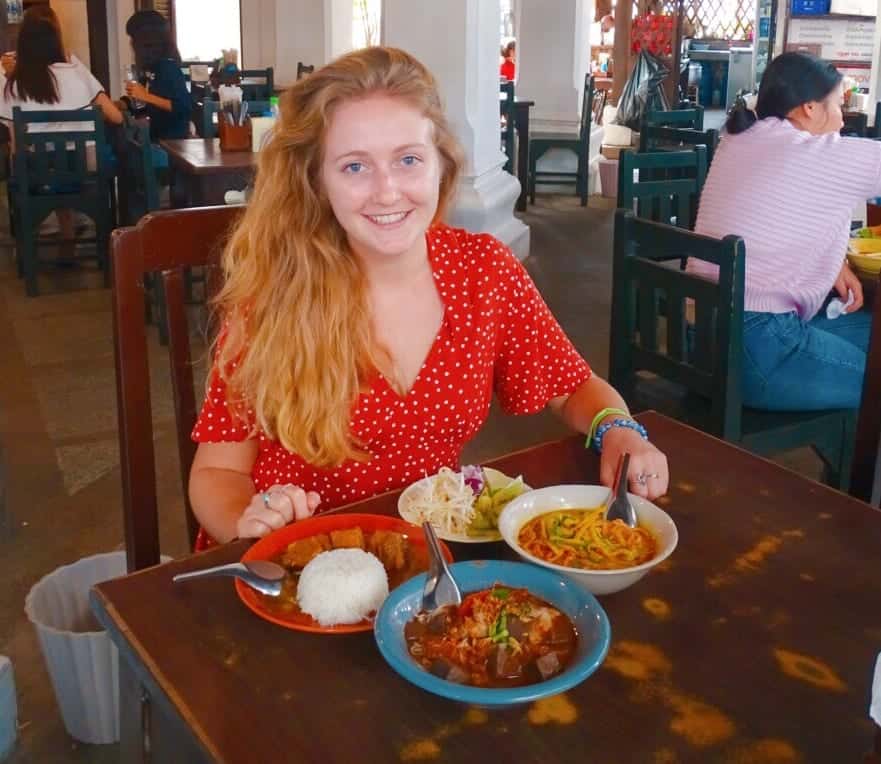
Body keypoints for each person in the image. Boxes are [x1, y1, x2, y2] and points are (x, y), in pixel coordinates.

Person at [188, 47, 669, 545]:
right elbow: (216, 473)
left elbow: (572, 387)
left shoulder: (483, 272)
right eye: (354, 167)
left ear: (441, 164)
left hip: (427, 557)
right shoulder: (276, 292)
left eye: (408, 160)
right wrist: (251, 526)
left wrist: (619, 430)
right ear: (317, 181)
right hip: (290, 561)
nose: (387, 191)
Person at [691, 51, 879, 411]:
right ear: (809, 107)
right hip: (758, 348)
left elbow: (767, 216)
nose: (842, 119)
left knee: (870, 333)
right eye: (838, 105)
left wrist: (832, 264)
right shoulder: (820, 152)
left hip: (699, 337)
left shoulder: (739, 138)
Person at [0, 6, 122, 244]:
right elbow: (115, 117)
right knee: (85, 155)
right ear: (57, 38)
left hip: (42, 175)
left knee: (40, 161)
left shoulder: (14, 84)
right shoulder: (76, 71)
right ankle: (89, 239)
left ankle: (57, 240)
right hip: (87, 169)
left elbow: (16, 145)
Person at [123, 10, 190, 142]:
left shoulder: (168, 67)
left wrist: (146, 96)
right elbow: (143, 104)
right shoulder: (151, 68)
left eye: (133, 38)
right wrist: (123, 103)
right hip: (156, 137)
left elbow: (183, 107)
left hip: (171, 143)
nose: (131, 43)